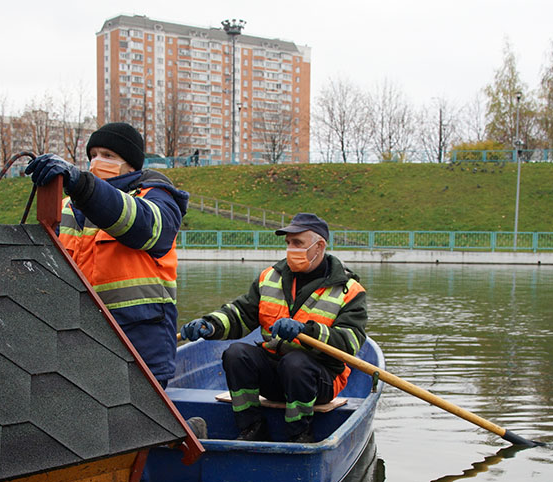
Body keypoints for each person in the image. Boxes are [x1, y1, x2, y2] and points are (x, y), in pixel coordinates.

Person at [24, 122, 189, 388]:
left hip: (140, 348)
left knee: (140, 426)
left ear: (132, 166)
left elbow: (143, 226)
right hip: (78, 344)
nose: (98, 162)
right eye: (93, 155)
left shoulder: (158, 197)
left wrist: (81, 185)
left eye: (109, 156)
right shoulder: (67, 205)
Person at [180, 213, 367, 442]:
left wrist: (306, 331)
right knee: (236, 354)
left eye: (298, 243)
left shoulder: (349, 290)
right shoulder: (270, 277)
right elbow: (239, 313)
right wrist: (210, 325)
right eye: (288, 243)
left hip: (319, 381)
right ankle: (252, 428)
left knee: (295, 362)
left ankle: (299, 434)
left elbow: (350, 342)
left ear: (319, 246)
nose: (291, 249)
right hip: (275, 376)